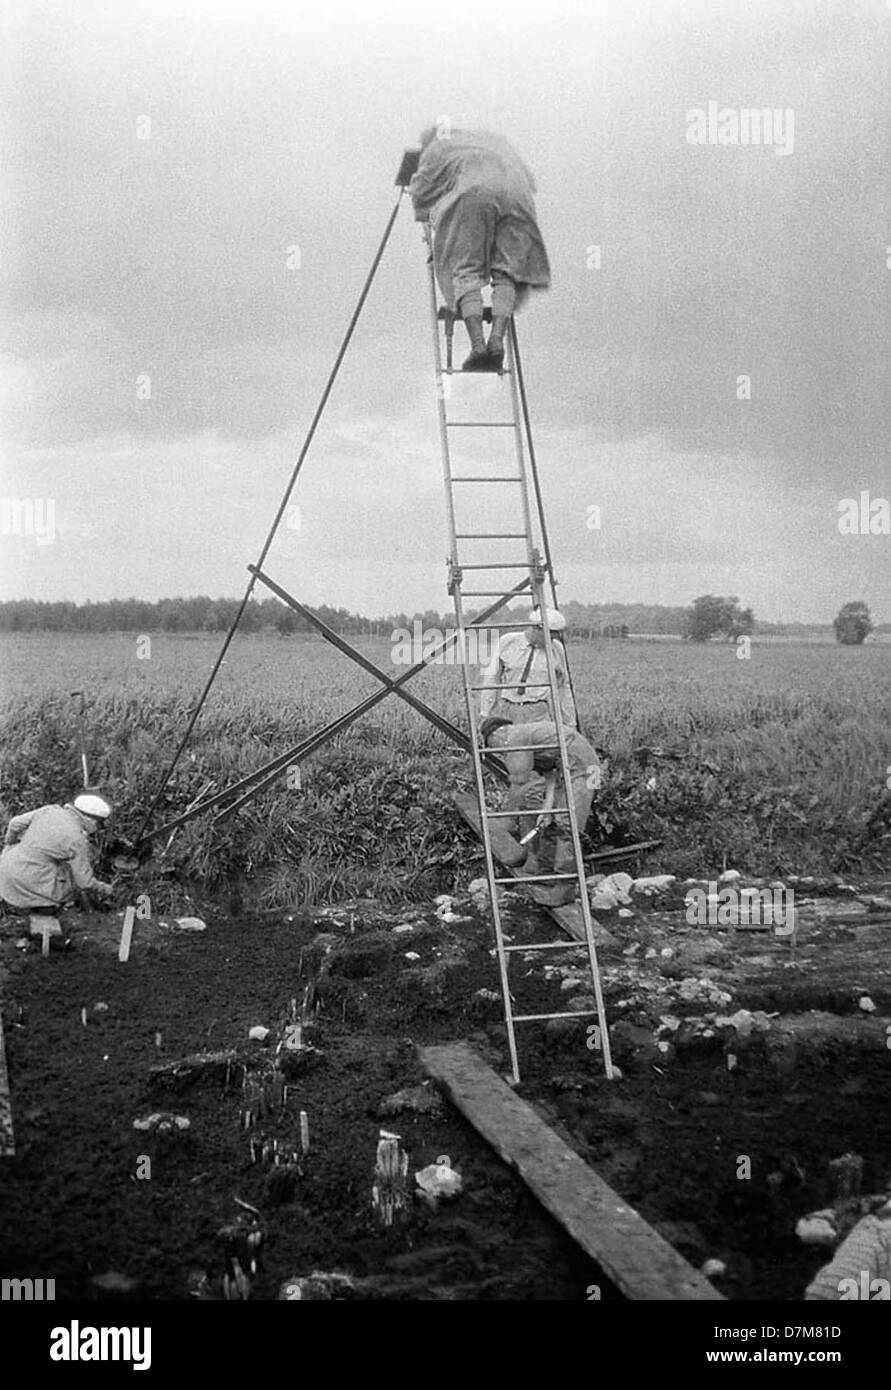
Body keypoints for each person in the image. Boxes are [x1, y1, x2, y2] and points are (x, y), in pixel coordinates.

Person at [477, 609, 598, 905]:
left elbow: (517, 783)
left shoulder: (516, 738)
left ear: (499, 738)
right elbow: (552, 777)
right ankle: (541, 869)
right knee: (547, 810)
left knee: (568, 825)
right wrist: (545, 808)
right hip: (571, 760)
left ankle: (563, 891)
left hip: (585, 767)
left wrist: (505, 824)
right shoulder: (508, 642)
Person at [409, 123, 551, 371]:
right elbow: (530, 180)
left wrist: (434, 215)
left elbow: (421, 190)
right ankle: (497, 340)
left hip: (475, 193)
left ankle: (478, 346)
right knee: (507, 270)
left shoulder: (436, 147)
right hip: (518, 197)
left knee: (464, 267)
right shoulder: (494, 138)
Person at [0, 794, 114, 934]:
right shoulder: (77, 840)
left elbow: (15, 823)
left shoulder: (50, 810)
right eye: (99, 823)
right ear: (90, 819)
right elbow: (84, 882)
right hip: (26, 880)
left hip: (6, 867)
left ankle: (34, 907)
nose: (98, 827)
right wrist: (106, 889)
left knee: (54, 863)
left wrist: (10, 843)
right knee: (70, 880)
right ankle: (44, 910)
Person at [479, 606, 577, 730]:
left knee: (539, 747)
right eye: (550, 635)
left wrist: (570, 722)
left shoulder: (556, 649)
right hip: (508, 709)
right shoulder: (507, 642)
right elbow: (491, 679)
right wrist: (485, 713)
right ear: (536, 628)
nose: (552, 640)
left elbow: (563, 687)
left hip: (539, 712)